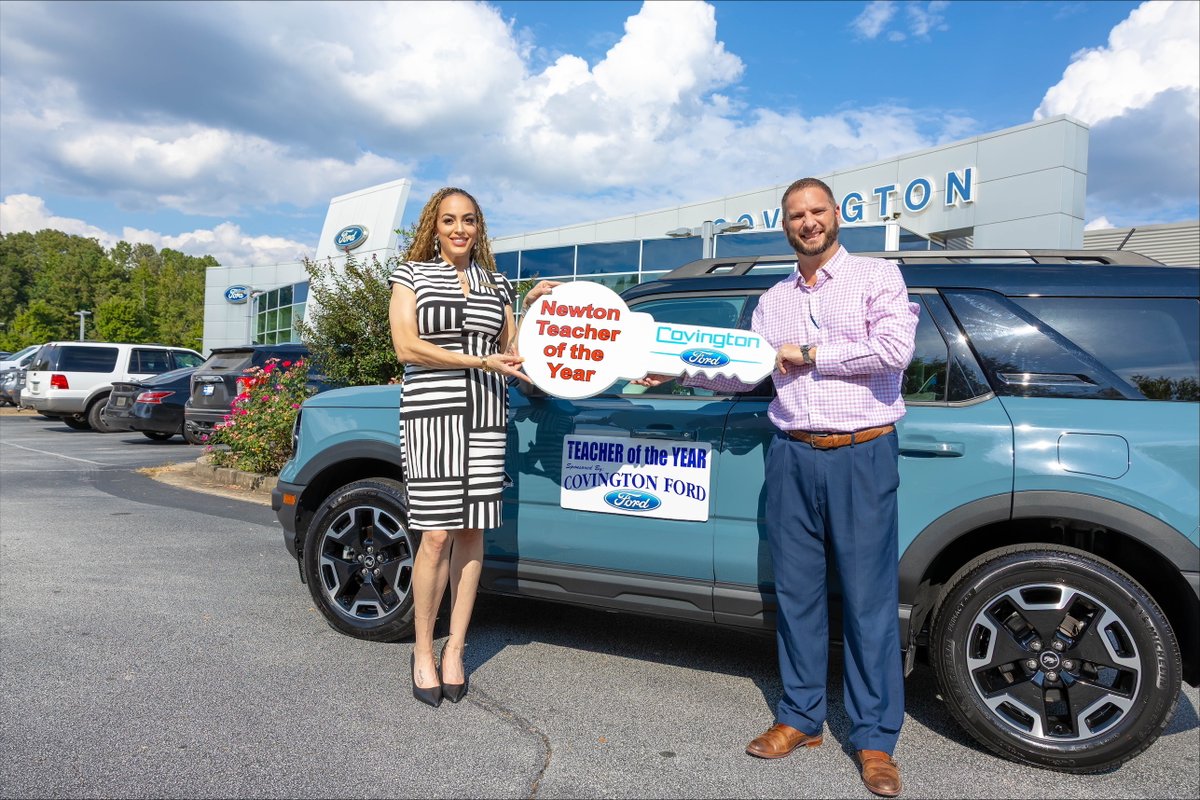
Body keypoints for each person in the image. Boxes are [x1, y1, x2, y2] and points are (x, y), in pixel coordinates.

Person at [635, 177, 918, 797]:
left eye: (817, 211)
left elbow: (896, 349)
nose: (808, 222)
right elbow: (748, 374)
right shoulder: (772, 299)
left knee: (869, 602)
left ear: (836, 215)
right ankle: (800, 717)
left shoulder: (878, 277)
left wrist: (810, 353)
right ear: (785, 225)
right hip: (791, 454)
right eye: (796, 215)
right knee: (797, 594)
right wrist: (681, 371)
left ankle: (875, 739)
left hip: (861, 452)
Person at [388, 187, 557, 708]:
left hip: (486, 415)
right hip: (431, 413)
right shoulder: (410, 275)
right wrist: (477, 362)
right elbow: (406, 345)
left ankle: (456, 648)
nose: (459, 229)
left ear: (478, 227)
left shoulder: (497, 284)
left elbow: (513, 354)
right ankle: (422, 649)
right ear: (433, 228)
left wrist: (533, 309)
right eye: (448, 221)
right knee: (436, 535)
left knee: (470, 532)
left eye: (468, 221)